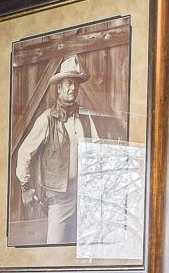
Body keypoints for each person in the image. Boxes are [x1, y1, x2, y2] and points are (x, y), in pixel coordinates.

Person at [13, 54, 108, 245]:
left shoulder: (84, 117)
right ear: (59, 88)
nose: (73, 88)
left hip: (85, 197)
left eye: (76, 84)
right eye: (69, 83)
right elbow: (24, 153)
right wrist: (25, 188)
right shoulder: (47, 119)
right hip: (59, 200)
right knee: (55, 249)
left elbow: (98, 152)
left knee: (85, 249)